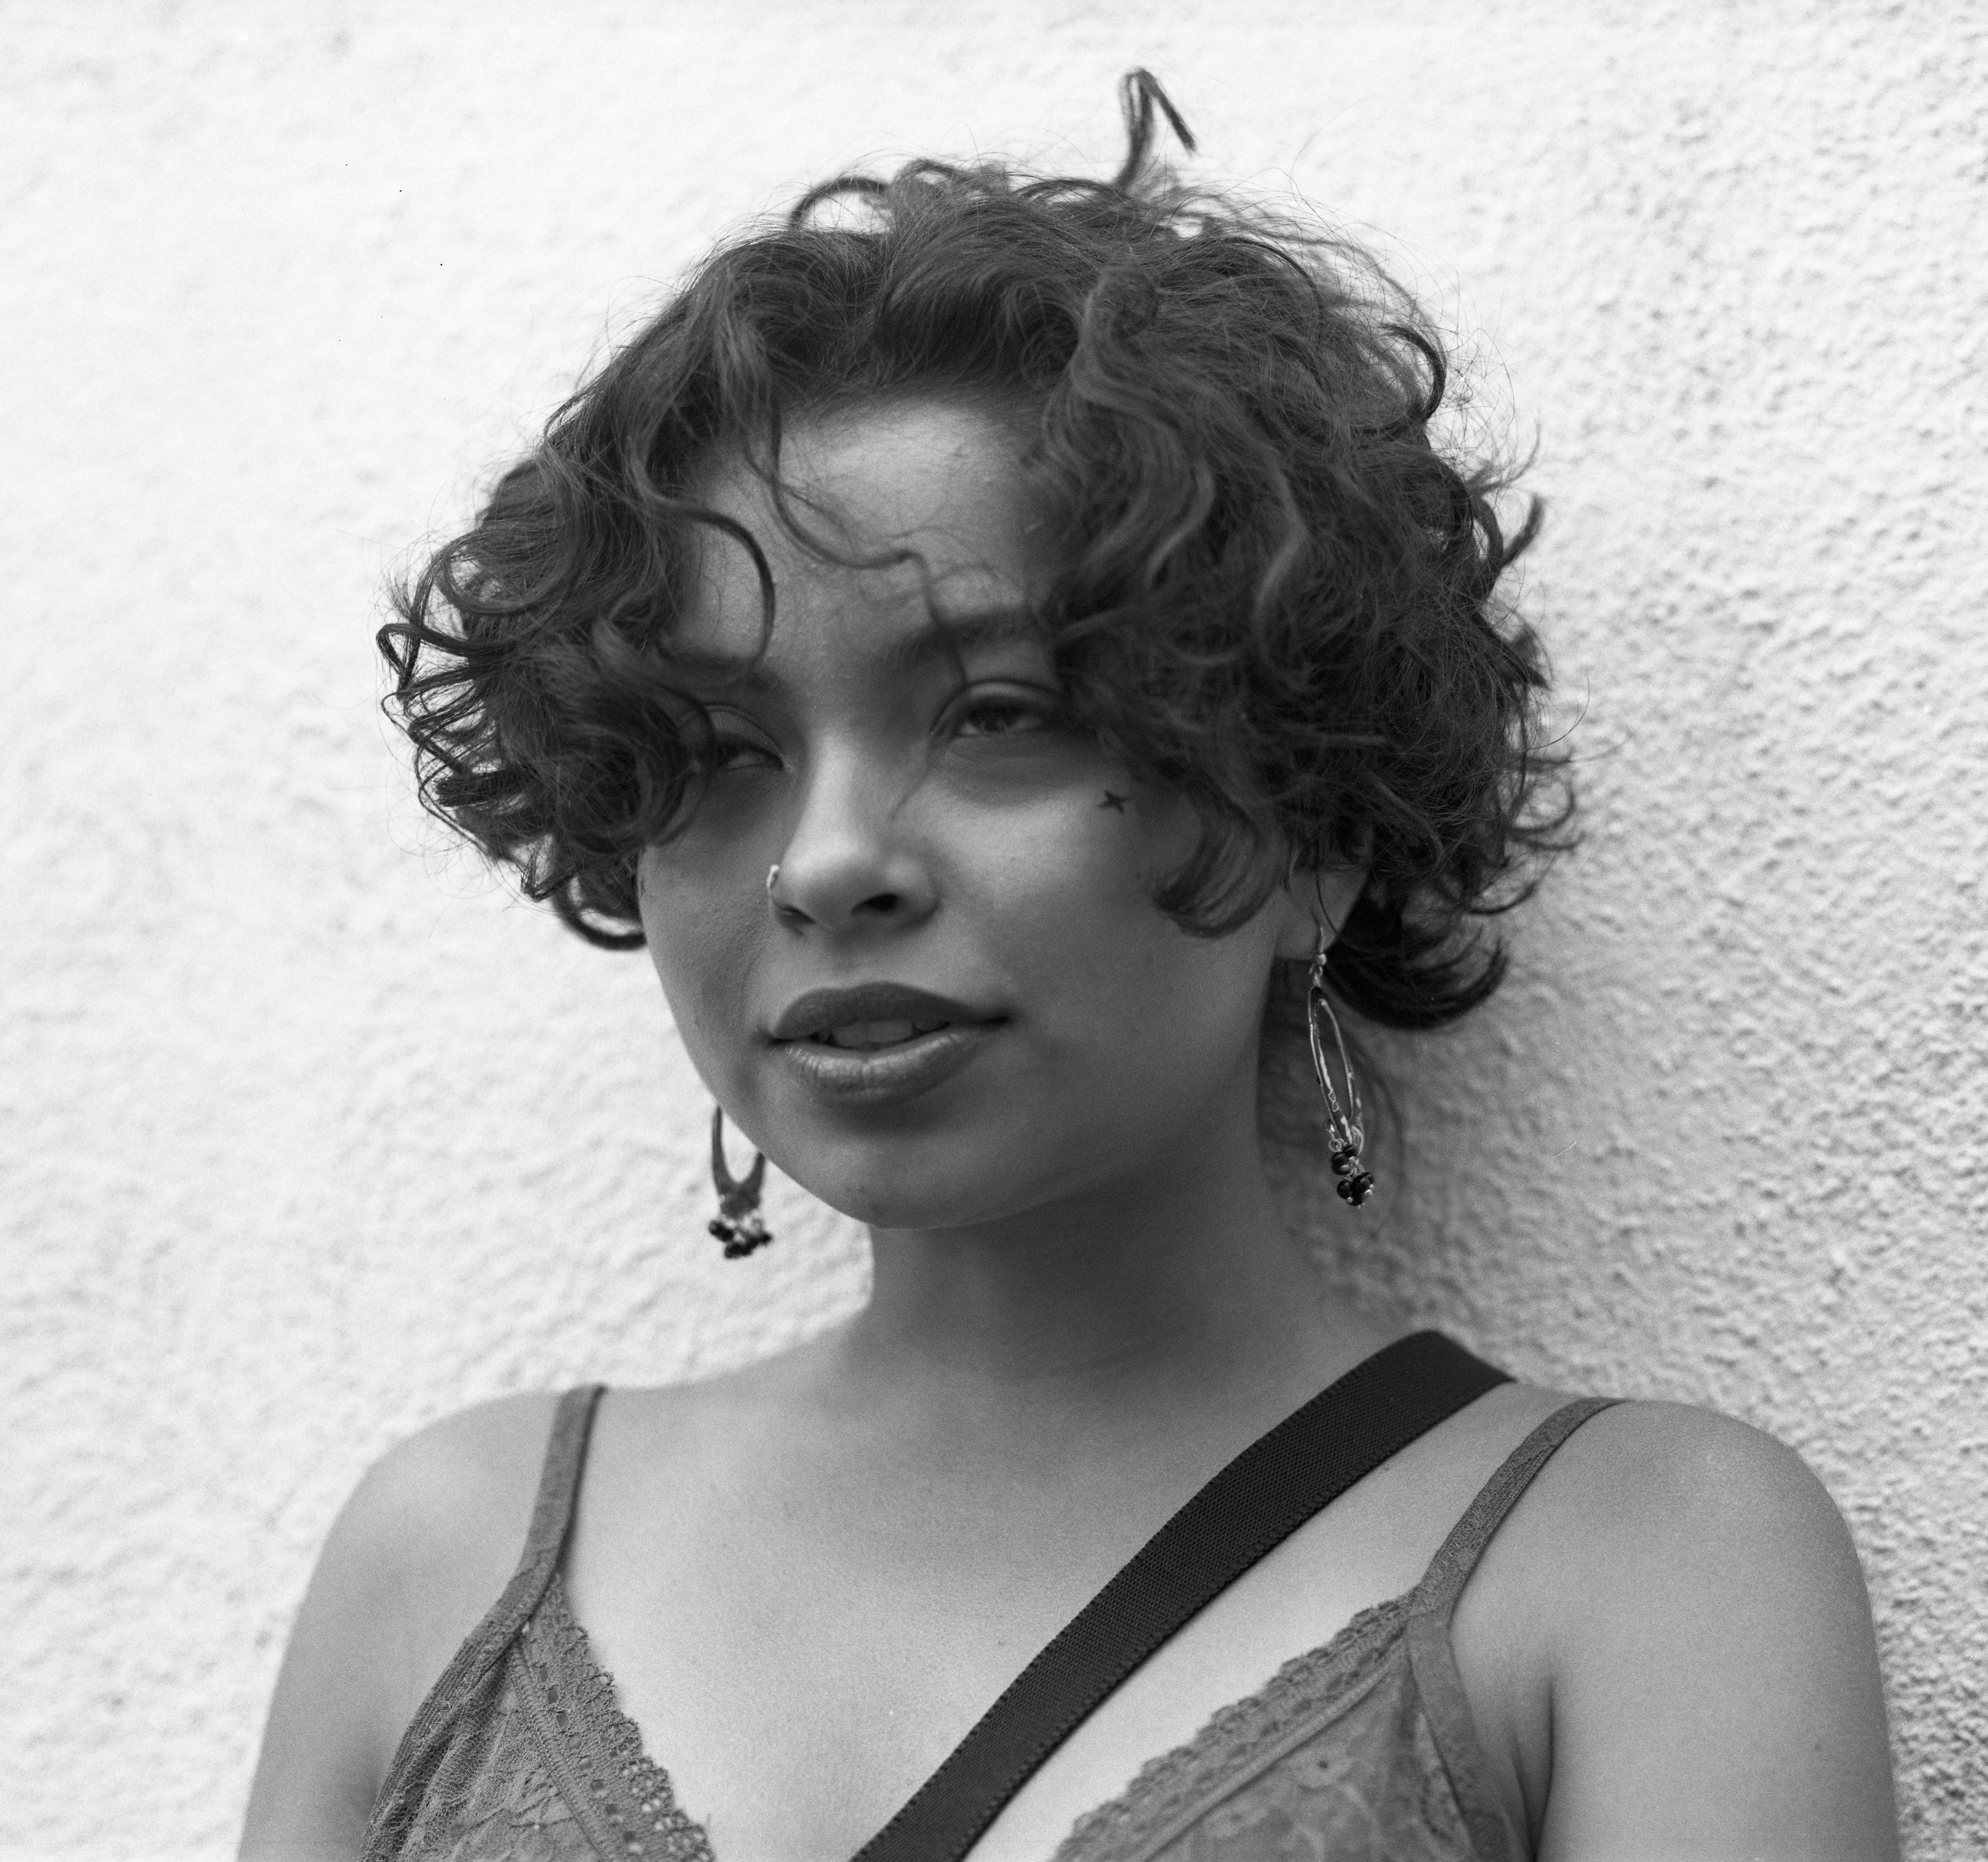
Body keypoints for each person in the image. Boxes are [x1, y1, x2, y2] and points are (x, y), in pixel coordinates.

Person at [240, 75, 1899, 1862]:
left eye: (1000, 715)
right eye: (720, 755)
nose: (829, 860)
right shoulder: (454, 1557)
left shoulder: (1634, 1569)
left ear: (1308, 826)